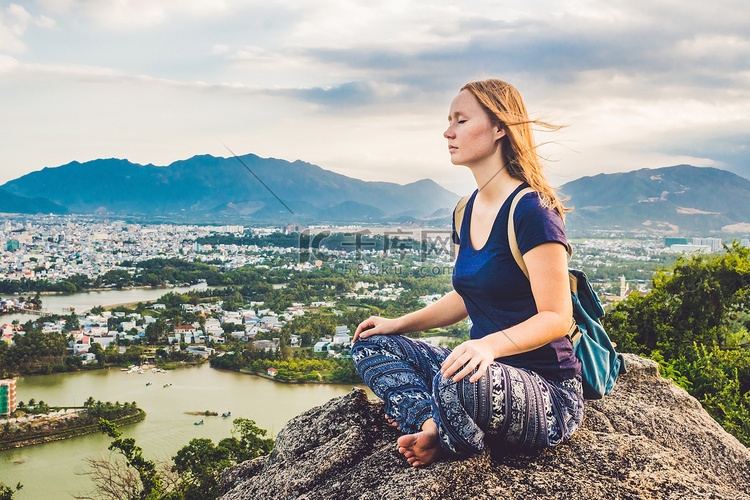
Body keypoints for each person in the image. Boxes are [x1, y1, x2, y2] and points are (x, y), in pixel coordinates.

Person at [351, 78, 583, 467]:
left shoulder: (532, 211)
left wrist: (488, 346)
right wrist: (397, 324)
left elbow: (558, 317)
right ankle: (429, 425)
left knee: (455, 378)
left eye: (460, 120)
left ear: (498, 129)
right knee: (370, 344)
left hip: (547, 391)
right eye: (449, 121)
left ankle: (443, 436)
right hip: (483, 373)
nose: (448, 131)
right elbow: (465, 297)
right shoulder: (465, 209)